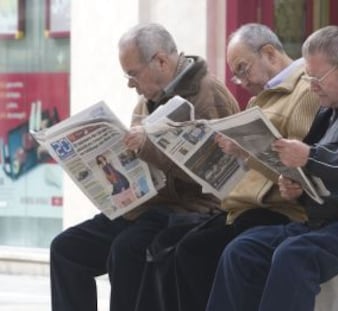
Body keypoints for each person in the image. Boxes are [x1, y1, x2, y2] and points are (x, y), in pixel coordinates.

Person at [206, 25, 338, 311]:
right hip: (328, 222)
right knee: (243, 250)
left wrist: (309, 157)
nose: (312, 86)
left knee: (295, 255)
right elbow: (314, 169)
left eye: (317, 78)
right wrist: (296, 185)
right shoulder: (329, 110)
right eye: (309, 78)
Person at [49, 23, 239, 311]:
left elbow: (217, 174)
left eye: (133, 74)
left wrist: (147, 148)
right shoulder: (146, 101)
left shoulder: (208, 94)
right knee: (66, 249)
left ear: (161, 61)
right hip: (144, 207)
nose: (129, 83)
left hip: (189, 210)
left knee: (127, 251)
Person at [134, 23, 319, 311]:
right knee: (168, 249)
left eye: (243, 69)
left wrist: (247, 153)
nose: (241, 81)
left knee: (194, 252)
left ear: (270, 54)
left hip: (278, 208)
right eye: (237, 73)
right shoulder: (263, 96)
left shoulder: (305, 90)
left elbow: (301, 158)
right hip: (243, 206)